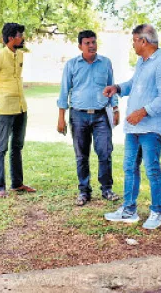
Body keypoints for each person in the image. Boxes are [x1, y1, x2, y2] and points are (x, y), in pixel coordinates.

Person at [102, 24, 161, 230]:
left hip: (152, 128)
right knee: (129, 168)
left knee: (152, 169)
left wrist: (143, 112)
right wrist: (117, 88)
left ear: (143, 41)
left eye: (134, 40)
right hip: (133, 128)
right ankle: (129, 210)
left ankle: (158, 212)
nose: (133, 45)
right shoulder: (142, 63)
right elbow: (133, 84)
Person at [57, 30, 121, 206]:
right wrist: (61, 117)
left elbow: (111, 86)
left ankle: (107, 189)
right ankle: (84, 191)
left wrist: (115, 109)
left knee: (105, 153)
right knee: (81, 156)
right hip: (78, 115)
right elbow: (64, 92)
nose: (91, 45)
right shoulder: (71, 65)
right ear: (80, 46)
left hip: (101, 115)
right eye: (87, 43)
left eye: (93, 42)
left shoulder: (105, 63)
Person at [0, 22, 36, 198]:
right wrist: (0, 97)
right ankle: (0, 187)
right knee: (1, 147)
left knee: (17, 146)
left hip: (21, 107)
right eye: (20, 35)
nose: (23, 38)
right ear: (11, 38)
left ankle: (17, 184)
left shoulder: (20, 55)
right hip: (5, 109)